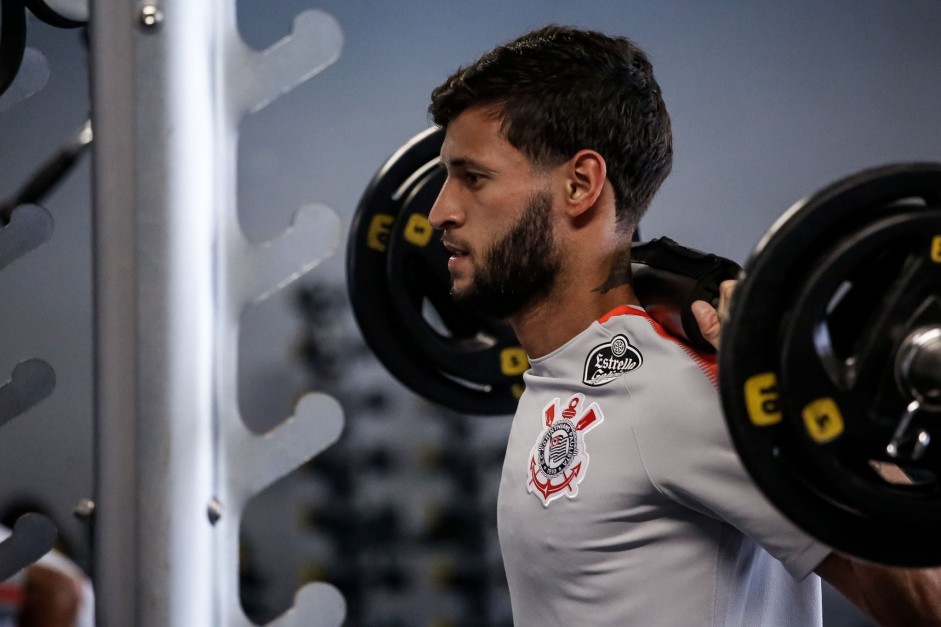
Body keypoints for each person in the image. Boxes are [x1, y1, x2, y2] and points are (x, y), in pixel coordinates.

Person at [426, 24, 941, 626]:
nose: (440, 211)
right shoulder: (567, 363)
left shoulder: (675, 387)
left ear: (580, 184)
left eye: (474, 177)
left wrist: (830, 418)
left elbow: (927, 604)